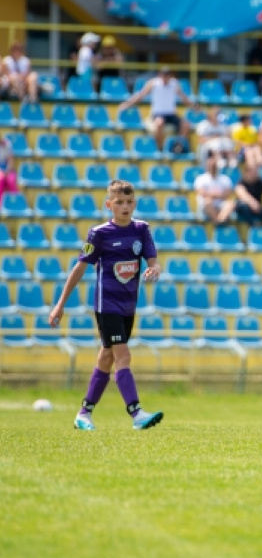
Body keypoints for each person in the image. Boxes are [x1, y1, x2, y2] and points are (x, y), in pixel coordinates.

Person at [48, 179, 164, 432]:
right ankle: (136, 413)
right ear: (108, 204)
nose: (124, 206)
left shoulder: (142, 229)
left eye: (129, 202)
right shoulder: (99, 234)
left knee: (107, 356)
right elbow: (80, 267)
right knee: (123, 355)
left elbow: (154, 262)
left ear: (135, 203)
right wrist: (60, 305)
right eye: (119, 202)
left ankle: (84, 413)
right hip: (106, 304)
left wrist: (154, 270)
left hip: (128, 305)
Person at [119, 66, 193, 151]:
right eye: (164, 75)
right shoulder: (153, 83)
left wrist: (194, 107)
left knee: (186, 124)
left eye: (167, 75)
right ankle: (160, 148)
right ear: (160, 75)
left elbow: (184, 98)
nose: (165, 78)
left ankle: (179, 145)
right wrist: (127, 104)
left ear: (170, 76)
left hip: (171, 114)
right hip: (158, 113)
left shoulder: (174, 84)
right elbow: (140, 96)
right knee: (159, 123)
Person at [218, 162, 262, 231]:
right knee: (244, 206)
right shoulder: (242, 182)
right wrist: (252, 203)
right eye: (253, 171)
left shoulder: (260, 181)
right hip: (244, 209)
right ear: (247, 172)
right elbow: (242, 194)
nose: (255, 173)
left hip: (257, 208)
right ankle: (254, 226)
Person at [194, 153, 235, 224]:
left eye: (214, 166)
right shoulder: (201, 179)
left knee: (231, 203)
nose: (213, 167)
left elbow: (227, 194)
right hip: (206, 206)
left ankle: (219, 221)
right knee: (207, 201)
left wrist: (212, 195)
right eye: (211, 166)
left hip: (220, 205)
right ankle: (218, 222)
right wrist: (219, 195)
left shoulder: (225, 179)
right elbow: (202, 193)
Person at [0, 133, 18, 200]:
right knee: (0, 180)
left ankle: (15, 202)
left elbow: (11, 160)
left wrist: (7, 171)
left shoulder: (7, 144)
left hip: (8, 169)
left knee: (11, 180)